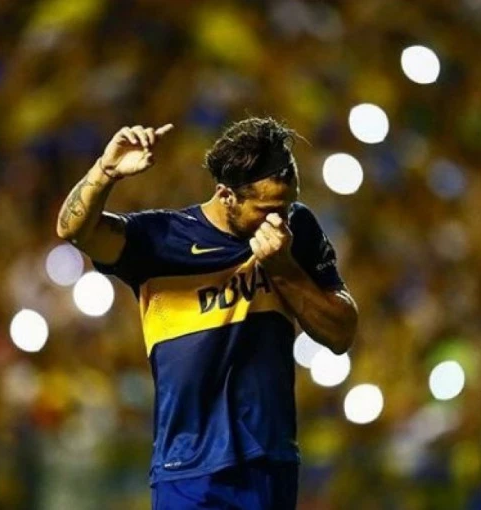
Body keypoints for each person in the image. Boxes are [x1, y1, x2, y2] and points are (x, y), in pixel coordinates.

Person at [56, 117, 358, 509]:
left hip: (269, 461)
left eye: (286, 206)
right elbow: (75, 231)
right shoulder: (161, 239)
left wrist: (285, 270)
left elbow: (341, 332)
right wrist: (105, 171)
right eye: (268, 210)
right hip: (188, 468)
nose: (279, 222)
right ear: (226, 195)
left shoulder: (296, 232)